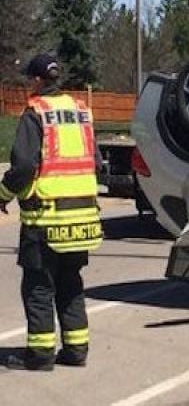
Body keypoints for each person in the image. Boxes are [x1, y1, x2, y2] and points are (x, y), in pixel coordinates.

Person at [0, 54, 103, 371]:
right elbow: (96, 163)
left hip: (46, 219)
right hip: (83, 219)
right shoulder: (81, 112)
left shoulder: (36, 113)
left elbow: (25, 166)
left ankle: (41, 354)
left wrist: (3, 193)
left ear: (35, 81)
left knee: (39, 287)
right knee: (70, 283)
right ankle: (76, 349)